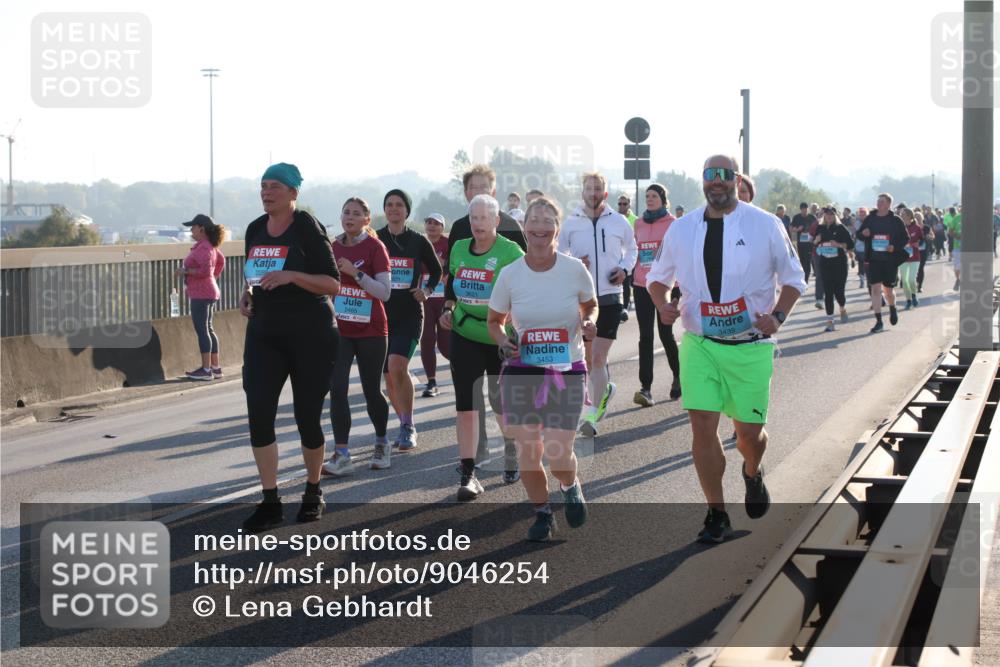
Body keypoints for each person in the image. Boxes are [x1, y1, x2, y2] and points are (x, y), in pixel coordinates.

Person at [646, 154, 806, 543]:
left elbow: (794, 278)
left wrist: (778, 317)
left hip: (750, 346)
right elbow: (656, 278)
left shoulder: (765, 224)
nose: (716, 183)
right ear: (702, 182)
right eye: (709, 176)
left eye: (723, 176)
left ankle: (751, 472)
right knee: (702, 424)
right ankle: (716, 514)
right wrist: (662, 303)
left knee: (750, 436)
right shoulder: (682, 229)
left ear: (735, 179)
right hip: (700, 343)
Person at [488, 196, 597, 542]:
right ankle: (542, 513)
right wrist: (504, 341)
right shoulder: (510, 274)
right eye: (533, 219)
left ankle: (569, 484)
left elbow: (590, 304)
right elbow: (495, 320)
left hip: (566, 368)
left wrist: (590, 321)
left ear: (557, 228)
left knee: (558, 448)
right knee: (528, 449)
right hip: (523, 367)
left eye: (547, 220)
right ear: (524, 228)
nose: (539, 226)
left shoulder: (573, 269)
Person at [240, 163, 341, 532]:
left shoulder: (307, 228)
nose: (267, 192)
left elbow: (333, 284)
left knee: (307, 418)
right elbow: (255, 272)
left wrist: (292, 276)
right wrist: (247, 293)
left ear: (294, 193)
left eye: (275, 187)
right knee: (259, 414)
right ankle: (270, 501)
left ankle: (313, 491)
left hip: (310, 335)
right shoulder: (254, 229)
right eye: (263, 186)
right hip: (264, 333)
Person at [442, 194, 525, 499]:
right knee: (466, 405)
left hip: (500, 335)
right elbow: (452, 284)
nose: (477, 224)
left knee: (499, 402)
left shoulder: (511, 252)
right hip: (465, 332)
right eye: (473, 218)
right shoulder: (460, 248)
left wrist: (515, 334)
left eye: (483, 218)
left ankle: (511, 447)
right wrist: (448, 310)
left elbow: (524, 292)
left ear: (496, 221)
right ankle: (468, 473)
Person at [559, 172, 638, 436]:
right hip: (581, 299)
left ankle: (591, 417)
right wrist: (574, 264)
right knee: (590, 362)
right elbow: (560, 253)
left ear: (605, 194)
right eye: (589, 189)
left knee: (598, 357)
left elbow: (633, 249)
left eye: (598, 189)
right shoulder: (571, 221)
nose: (593, 193)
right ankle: (603, 393)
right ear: (582, 192)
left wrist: (625, 270)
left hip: (610, 296)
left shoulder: (618, 221)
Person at [322, 197, 392, 478]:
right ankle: (342, 454)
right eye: (345, 212)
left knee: (371, 389)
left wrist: (356, 273)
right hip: (341, 329)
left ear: (366, 219)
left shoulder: (375, 247)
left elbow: (385, 292)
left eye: (355, 213)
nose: (349, 217)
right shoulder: (332, 246)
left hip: (371, 329)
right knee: (337, 388)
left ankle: (381, 442)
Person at [376, 189, 442, 462]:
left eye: (399, 205)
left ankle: (408, 425)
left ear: (407, 211)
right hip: (379, 316)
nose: (393, 209)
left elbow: (436, 271)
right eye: (389, 205)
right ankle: (402, 418)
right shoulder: (375, 239)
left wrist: (426, 291)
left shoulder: (417, 241)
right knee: (389, 376)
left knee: (397, 366)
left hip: (410, 314)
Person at [632, 183, 680, 406]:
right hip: (642, 285)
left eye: (654, 196)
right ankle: (646, 388)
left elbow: (679, 254)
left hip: (665, 286)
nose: (649, 199)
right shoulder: (639, 223)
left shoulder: (673, 224)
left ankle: (679, 377)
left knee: (666, 335)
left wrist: (678, 286)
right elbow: (635, 252)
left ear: (663, 199)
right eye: (647, 196)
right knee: (645, 337)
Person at [177, 214, 226, 380]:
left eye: (193, 227)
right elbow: (221, 261)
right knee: (209, 328)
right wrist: (213, 280)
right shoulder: (210, 246)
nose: (191, 230)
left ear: (202, 229)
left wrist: (185, 271)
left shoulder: (203, 247)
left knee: (202, 330)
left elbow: (205, 271)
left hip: (201, 294)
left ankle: (206, 370)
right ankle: (215, 367)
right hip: (208, 291)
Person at [858, 193, 909, 333]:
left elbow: (905, 238)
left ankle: (892, 308)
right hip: (873, 259)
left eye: (882, 201)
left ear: (888, 204)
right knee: (875, 289)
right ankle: (878, 321)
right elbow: (859, 234)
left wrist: (894, 246)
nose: (879, 204)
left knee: (888, 290)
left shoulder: (895, 220)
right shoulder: (870, 218)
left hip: (889, 260)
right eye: (878, 201)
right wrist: (864, 234)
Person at [419, 213, 451, 398]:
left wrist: (440, 264)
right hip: (425, 299)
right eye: (428, 222)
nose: (432, 226)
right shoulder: (420, 243)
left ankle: (464, 369)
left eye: (436, 223)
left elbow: (453, 269)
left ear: (442, 227)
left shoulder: (448, 244)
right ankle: (431, 382)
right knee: (427, 340)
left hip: (444, 299)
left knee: (446, 346)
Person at [813, 206, 852, 331]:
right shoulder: (820, 228)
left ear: (835, 216)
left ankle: (842, 308)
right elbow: (813, 243)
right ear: (824, 216)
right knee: (828, 292)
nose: (829, 217)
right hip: (825, 263)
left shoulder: (841, 228)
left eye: (831, 215)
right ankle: (830, 322)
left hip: (839, 264)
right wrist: (816, 241)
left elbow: (851, 245)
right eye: (827, 215)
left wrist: (839, 245)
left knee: (839, 292)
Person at [898, 207, 924, 309]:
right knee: (904, 281)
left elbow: (922, 240)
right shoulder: (899, 228)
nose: (901, 215)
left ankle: (914, 295)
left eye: (903, 214)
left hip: (915, 257)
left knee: (912, 280)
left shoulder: (917, 228)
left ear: (909, 216)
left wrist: (918, 244)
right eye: (901, 214)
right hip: (902, 258)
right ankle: (908, 300)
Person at [617, 194, 637, 321]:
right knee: (619, 284)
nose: (622, 206)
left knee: (627, 283)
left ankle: (624, 308)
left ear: (629, 205)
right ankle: (620, 308)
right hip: (616, 256)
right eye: (620, 204)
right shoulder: (613, 218)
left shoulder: (635, 220)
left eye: (625, 204)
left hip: (629, 256)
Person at [789, 202, 816, 283]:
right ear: (800, 209)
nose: (804, 211)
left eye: (806, 209)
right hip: (800, 244)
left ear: (808, 209)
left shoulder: (812, 217)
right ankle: (802, 278)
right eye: (803, 209)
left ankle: (805, 280)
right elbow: (791, 229)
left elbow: (817, 228)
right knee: (801, 261)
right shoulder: (796, 218)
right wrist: (797, 230)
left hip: (809, 244)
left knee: (807, 262)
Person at [915, 210, 934, 294]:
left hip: (923, 250)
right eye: (916, 217)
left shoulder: (926, 227)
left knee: (921, 267)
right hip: (913, 250)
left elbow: (932, 236)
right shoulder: (911, 227)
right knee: (915, 267)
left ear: (922, 218)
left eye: (919, 217)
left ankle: (919, 286)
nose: (917, 219)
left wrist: (927, 236)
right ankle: (915, 281)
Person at [944, 206, 962, 290]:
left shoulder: (973, 217)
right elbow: (950, 231)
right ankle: (958, 280)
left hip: (970, 247)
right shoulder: (956, 218)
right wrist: (957, 236)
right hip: (957, 246)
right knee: (957, 266)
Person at [854, 207, 869, 289]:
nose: (862, 215)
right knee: (861, 263)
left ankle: (868, 279)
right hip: (860, 246)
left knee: (867, 264)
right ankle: (862, 280)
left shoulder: (870, 222)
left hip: (869, 247)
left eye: (864, 214)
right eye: (861, 214)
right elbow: (859, 233)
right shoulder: (857, 223)